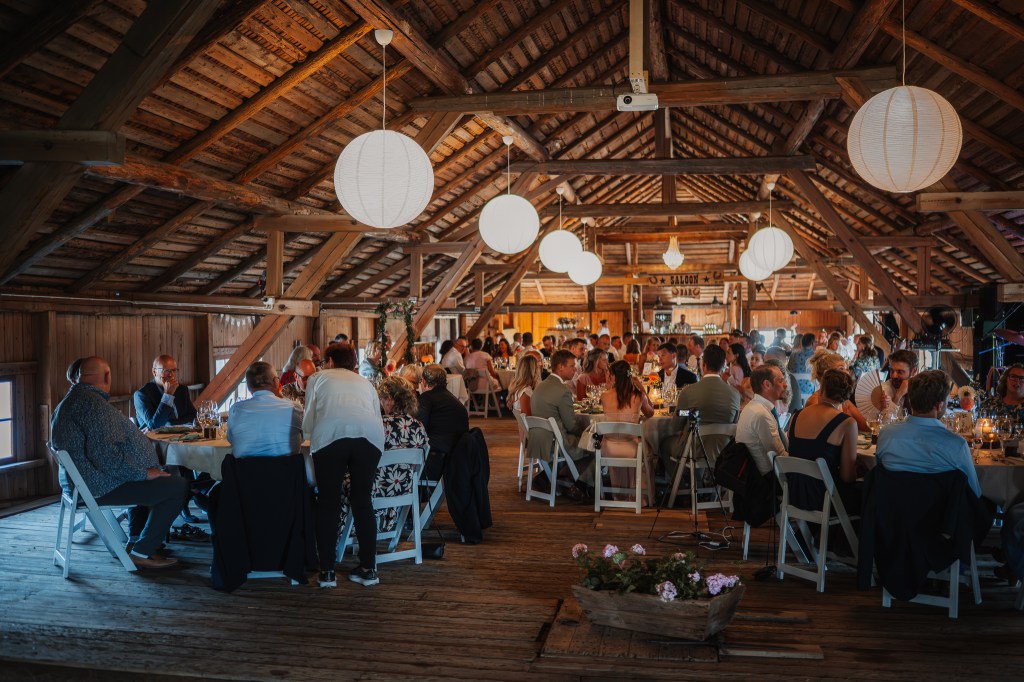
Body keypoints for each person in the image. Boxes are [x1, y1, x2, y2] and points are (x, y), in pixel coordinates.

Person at [51, 357, 188, 569]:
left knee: (169, 482)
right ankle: (142, 551)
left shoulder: (72, 401)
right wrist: (144, 473)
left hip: (83, 484)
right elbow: (106, 457)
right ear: (107, 377)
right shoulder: (92, 406)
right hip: (99, 486)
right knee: (178, 487)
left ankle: (139, 540)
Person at [303, 344, 385, 589]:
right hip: (370, 438)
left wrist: (307, 439)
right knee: (362, 500)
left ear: (329, 361)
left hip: (330, 436)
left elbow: (309, 418)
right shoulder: (365, 383)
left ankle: (327, 572)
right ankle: (369, 570)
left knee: (328, 502)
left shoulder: (317, 378)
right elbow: (375, 415)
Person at [338, 376, 429, 538]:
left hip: (372, 491)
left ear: (389, 400)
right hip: (403, 489)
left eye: (381, 399)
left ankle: (343, 532)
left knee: (335, 480)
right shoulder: (417, 425)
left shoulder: (377, 425)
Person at [874, 370, 981, 498]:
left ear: (911, 400)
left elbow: (880, 476)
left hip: (891, 513)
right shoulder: (956, 445)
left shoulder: (886, 435)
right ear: (939, 405)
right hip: (942, 516)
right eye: (947, 401)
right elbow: (975, 493)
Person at [786, 369, 861, 513]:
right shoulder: (847, 423)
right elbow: (847, 477)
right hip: (825, 499)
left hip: (794, 493)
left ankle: (810, 535)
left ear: (821, 389)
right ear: (845, 396)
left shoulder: (796, 416)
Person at [665, 344, 740, 475]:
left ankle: (680, 487)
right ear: (723, 365)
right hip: (723, 452)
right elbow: (733, 426)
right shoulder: (735, 394)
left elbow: (676, 426)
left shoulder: (688, 392)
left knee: (664, 444)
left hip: (693, 450)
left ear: (703, 364)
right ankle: (706, 483)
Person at [529, 349, 593, 495]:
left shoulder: (540, 386)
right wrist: (587, 432)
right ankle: (582, 486)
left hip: (540, 440)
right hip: (558, 444)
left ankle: (551, 476)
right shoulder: (563, 391)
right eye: (572, 366)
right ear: (560, 367)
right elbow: (571, 426)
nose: (575, 369)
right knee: (597, 445)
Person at [598, 360, 654, 497]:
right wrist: (642, 389)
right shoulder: (638, 395)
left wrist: (609, 386)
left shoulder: (604, 396)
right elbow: (650, 413)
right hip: (632, 448)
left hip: (608, 448)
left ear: (613, 376)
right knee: (651, 450)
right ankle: (642, 495)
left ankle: (619, 493)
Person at [227, 361, 302, 457]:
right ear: (275, 382)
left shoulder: (235, 410)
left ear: (248, 386)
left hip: (246, 471)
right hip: (286, 470)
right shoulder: (294, 408)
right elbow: (302, 438)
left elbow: (231, 439)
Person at [736, 363, 791, 475]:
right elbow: (780, 458)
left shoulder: (756, 406)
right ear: (767, 385)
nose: (785, 385)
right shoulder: (761, 414)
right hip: (767, 480)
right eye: (780, 381)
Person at [416, 364, 470, 467]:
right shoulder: (453, 399)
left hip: (436, 457)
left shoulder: (426, 398)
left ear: (423, 381)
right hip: (458, 455)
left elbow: (419, 428)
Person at [804, 350, 869, 431]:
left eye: (846, 369)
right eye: (841, 369)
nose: (847, 372)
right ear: (826, 374)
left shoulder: (843, 400)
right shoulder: (814, 402)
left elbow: (866, 427)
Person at [133, 354, 197, 431]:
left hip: (182, 436)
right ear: (154, 372)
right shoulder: (142, 395)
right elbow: (154, 426)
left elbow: (193, 416)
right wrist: (168, 395)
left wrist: (171, 424)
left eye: (174, 370)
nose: (171, 374)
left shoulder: (182, 389)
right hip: (153, 440)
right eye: (166, 370)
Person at [874, 349, 919, 416]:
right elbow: (884, 424)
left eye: (900, 372)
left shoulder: (922, 390)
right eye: (891, 371)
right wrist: (898, 396)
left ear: (913, 371)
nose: (893, 376)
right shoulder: (883, 391)